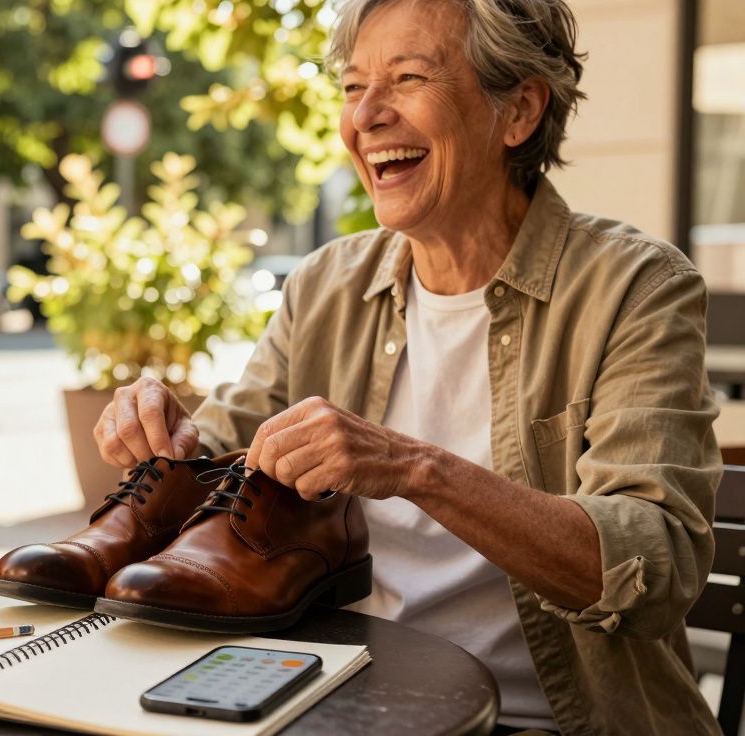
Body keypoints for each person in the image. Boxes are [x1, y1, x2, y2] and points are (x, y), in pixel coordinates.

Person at [93, 0, 720, 733]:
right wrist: (166, 438)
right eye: (353, 87)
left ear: (519, 111)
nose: (366, 116)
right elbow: (225, 449)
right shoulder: (326, 284)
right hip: (334, 701)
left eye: (409, 78)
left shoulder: (636, 288)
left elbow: (654, 563)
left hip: (545, 722)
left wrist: (416, 469)